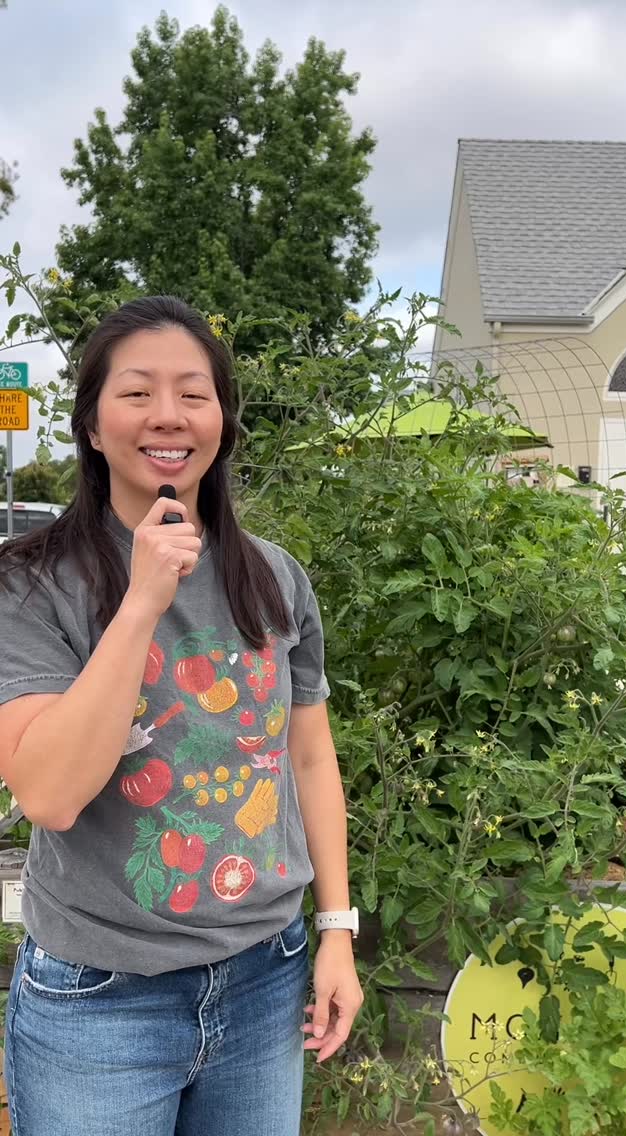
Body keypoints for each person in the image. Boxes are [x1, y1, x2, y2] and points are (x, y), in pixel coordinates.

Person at [0, 296, 363, 1136]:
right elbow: (49, 794)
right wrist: (141, 603)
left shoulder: (275, 577)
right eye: (136, 393)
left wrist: (336, 931)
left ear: (224, 423)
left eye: (194, 394)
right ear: (92, 424)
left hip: (265, 978)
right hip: (100, 999)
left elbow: (307, 759)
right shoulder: (29, 586)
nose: (168, 416)